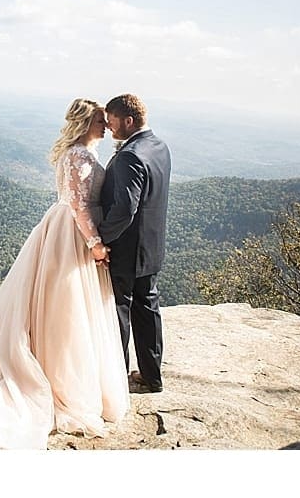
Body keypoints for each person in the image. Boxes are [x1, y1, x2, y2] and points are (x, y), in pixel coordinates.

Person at [0, 98, 129, 449]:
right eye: (100, 120)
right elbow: (79, 206)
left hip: (70, 232)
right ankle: (56, 376)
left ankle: (61, 369)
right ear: (86, 123)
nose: (105, 125)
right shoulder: (79, 156)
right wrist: (96, 244)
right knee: (65, 308)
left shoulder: (83, 152)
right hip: (72, 235)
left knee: (68, 307)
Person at [98, 93, 173, 394]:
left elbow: (125, 208)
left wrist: (99, 238)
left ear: (128, 121)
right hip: (151, 246)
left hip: (127, 248)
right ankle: (152, 377)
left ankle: (117, 379)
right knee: (148, 307)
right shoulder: (159, 146)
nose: (109, 128)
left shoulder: (130, 155)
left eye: (113, 122)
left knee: (120, 310)